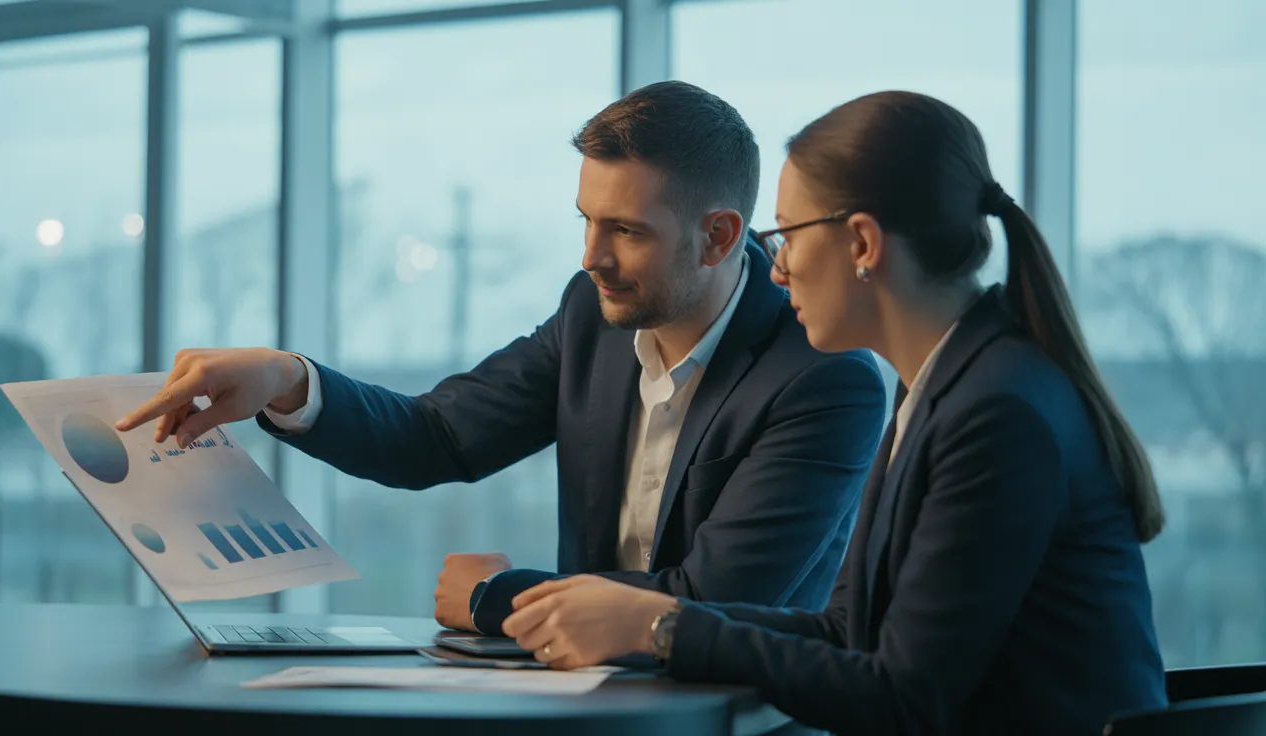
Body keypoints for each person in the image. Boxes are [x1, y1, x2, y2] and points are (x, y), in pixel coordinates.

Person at [500, 90, 1170, 735]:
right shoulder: (945, 385)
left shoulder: (995, 414)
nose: (777, 266)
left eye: (787, 234)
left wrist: (660, 629)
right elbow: (848, 629)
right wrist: (653, 617)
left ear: (862, 244)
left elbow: (902, 697)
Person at [114, 81, 886, 637]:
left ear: (718, 236)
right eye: (586, 220)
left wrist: (495, 596)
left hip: (734, 719)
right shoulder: (592, 316)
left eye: (627, 231)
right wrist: (288, 380)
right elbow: (439, 435)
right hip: (580, 700)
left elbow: (706, 599)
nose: (592, 257)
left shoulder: (826, 377)